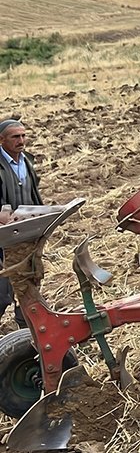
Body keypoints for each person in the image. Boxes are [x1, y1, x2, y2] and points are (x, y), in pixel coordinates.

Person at [0, 120, 41, 329]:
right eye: (15, 137)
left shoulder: (27, 161)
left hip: (24, 237)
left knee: (27, 287)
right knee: (2, 294)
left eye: (23, 136)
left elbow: (33, 196)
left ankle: (28, 335)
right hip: (3, 240)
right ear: (1, 140)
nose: (21, 141)